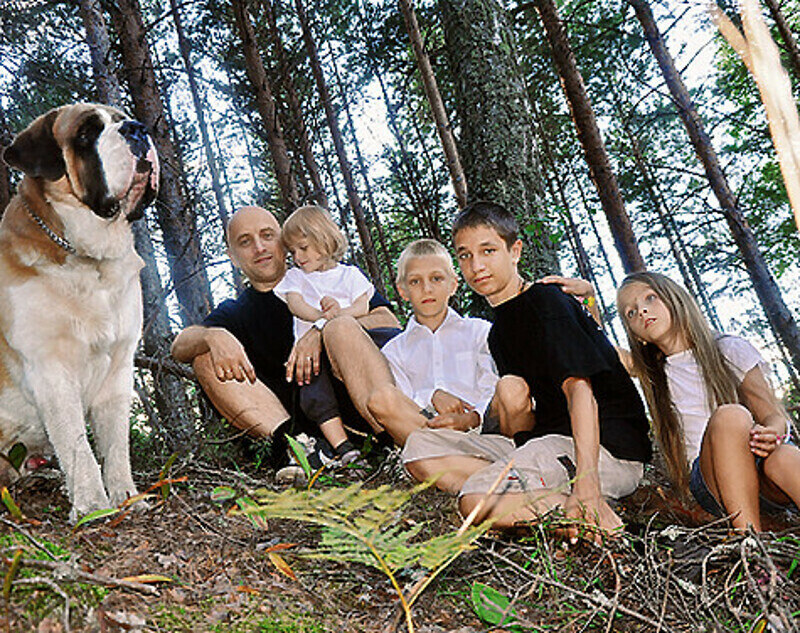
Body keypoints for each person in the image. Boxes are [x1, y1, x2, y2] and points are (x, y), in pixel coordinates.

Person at [402, 201, 652, 539]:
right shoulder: (498, 333)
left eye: (488, 251)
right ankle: (536, 493)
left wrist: (588, 483)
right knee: (419, 449)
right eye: (465, 255)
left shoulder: (546, 303)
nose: (477, 266)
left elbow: (581, 392)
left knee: (475, 501)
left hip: (605, 448)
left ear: (515, 251)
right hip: (546, 442)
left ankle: (602, 519)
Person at [170, 206, 400, 474]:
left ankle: (392, 440)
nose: (259, 247)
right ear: (233, 257)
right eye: (245, 242)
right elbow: (179, 347)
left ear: (283, 241)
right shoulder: (236, 311)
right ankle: (301, 449)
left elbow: (388, 321)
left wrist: (323, 330)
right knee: (203, 357)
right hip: (297, 426)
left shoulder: (327, 277)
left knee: (344, 331)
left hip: (361, 413)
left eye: (267, 235)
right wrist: (212, 335)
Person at [612, 271, 800, 531]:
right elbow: (597, 347)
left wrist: (772, 433)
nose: (642, 311)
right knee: (730, 416)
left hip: (763, 471)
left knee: (784, 456)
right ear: (637, 336)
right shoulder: (652, 374)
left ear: (675, 298)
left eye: (650, 298)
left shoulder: (728, 349)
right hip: (711, 479)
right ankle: (751, 542)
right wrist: (588, 299)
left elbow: (773, 414)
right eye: (631, 312)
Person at [366, 239, 504, 456]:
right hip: (425, 430)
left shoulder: (479, 331)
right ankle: (447, 459)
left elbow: (493, 385)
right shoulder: (394, 351)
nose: (427, 289)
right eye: (415, 282)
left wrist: (471, 418)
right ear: (402, 291)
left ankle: (458, 461)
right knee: (381, 399)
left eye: (436, 278)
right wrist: (430, 395)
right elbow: (403, 403)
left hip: (480, 433)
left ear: (453, 285)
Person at [274, 205, 375, 465]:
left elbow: (362, 307)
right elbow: (295, 304)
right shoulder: (296, 277)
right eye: (292, 252)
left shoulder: (350, 274)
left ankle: (388, 433)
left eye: (303, 248)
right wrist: (321, 318)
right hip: (313, 357)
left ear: (324, 239)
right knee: (315, 393)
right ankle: (343, 447)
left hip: (350, 348)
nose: (298, 257)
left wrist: (337, 317)